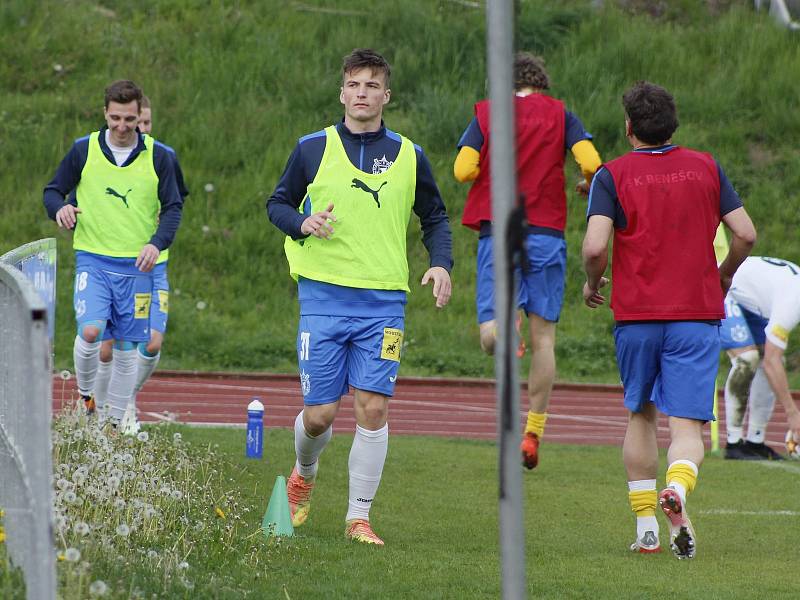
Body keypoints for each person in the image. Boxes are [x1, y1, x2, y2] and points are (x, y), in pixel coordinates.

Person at [266, 49, 453, 546]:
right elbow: (277, 204)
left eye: (372, 86)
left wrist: (440, 263)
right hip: (323, 298)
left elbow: (434, 217)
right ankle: (304, 473)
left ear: (386, 95)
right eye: (354, 85)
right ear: (342, 92)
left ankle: (358, 518)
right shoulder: (312, 148)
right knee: (321, 415)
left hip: (383, 303)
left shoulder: (411, 155)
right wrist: (302, 222)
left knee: (373, 408)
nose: (362, 93)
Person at [581, 81, 755, 559]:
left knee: (640, 414)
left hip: (637, 315)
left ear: (629, 126)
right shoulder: (705, 166)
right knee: (687, 427)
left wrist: (592, 284)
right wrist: (723, 274)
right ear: (672, 124)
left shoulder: (611, 175)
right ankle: (677, 487)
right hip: (695, 314)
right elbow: (745, 233)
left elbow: (595, 246)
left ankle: (646, 530)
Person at [453, 53, 602, 470]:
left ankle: (503, 331)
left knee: (489, 336)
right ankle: (533, 431)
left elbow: (463, 169)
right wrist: (587, 183)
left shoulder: (488, 113)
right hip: (546, 232)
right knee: (546, 341)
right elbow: (591, 162)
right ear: (542, 82)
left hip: (499, 231)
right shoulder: (561, 115)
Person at [43, 80, 183, 428]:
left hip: (138, 266)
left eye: (130, 119)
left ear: (140, 117)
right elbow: (53, 191)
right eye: (115, 118)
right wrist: (59, 209)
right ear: (105, 113)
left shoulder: (161, 156)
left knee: (125, 350)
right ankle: (88, 400)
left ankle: (113, 426)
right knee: (91, 332)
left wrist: (156, 242)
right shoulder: (83, 149)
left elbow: (174, 207)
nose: (122, 126)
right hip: (93, 258)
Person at [92, 94, 190, 430]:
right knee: (106, 347)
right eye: (138, 122)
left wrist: (159, 231)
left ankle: (124, 400)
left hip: (153, 266)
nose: (140, 129)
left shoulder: (163, 158)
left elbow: (177, 202)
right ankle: (95, 412)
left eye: (146, 123)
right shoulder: (104, 158)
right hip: (112, 265)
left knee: (150, 342)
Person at [720, 255, 800, 456]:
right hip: (724, 289)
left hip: (752, 301)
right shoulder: (793, 303)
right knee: (748, 359)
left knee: (772, 360)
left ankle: (755, 441)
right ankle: (733, 443)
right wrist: (792, 413)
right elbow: (771, 362)